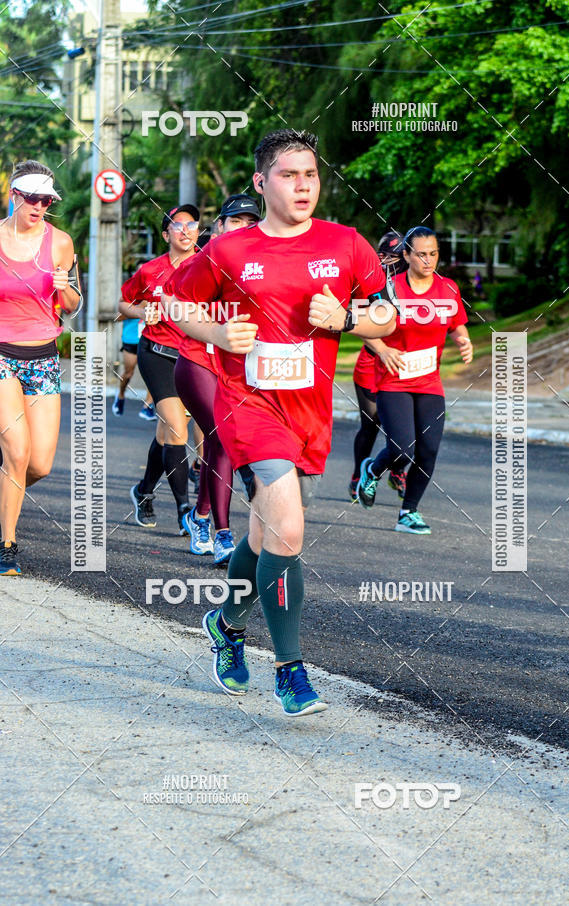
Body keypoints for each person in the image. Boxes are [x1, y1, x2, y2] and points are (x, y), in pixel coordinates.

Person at [165, 129, 395, 716]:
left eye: (310, 175)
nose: (302, 186)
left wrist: (347, 319)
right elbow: (176, 304)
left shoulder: (346, 244)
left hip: (310, 413)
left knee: (268, 535)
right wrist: (216, 333)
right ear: (261, 183)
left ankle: (226, 621)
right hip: (248, 403)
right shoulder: (230, 251)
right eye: (289, 175)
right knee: (288, 529)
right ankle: (291, 672)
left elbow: (387, 317)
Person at [357, 225, 473, 533]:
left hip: (429, 381)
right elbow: (364, 328)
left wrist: (464, 340)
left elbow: (457, 323)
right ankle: (373, 469)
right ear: (406, 255)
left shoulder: (448, 288)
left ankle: (409, 512)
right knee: (402, 448)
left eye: (433, 254)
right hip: (393, 380)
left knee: (429, 450)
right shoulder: (388, 289)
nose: (428, 260)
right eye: (421, 254)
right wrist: (381, 349)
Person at [0, 160, 81, 575]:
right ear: (14, 195)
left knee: (39, 464)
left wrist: (64, 288)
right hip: (1, 354)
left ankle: (4, 498)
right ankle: (7, 546)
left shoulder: (61, 243)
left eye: (46, 200)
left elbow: (73, 306)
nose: (39, 206)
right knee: (16, 451)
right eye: (31, 198)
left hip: (44, 355)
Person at [174, 193, 261, 566]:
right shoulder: (199, 263)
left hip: (237, 367)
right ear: (220, 226)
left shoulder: (259, 266)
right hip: (196, 360)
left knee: (219, 442)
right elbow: (176, 306)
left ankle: (200, 516)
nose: (243, 228)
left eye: (250, 222)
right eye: (236, 221)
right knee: (222, 434)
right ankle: (223, 535)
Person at [118, 205, 200, 534]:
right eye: (177, 226)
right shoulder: (151, 270)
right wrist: (142, 312)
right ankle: (185, 512)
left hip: (194, 357)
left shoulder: (208, 266)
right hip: (157, 354)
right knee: (177, 430)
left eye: (191, 224)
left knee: (165, 433)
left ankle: (143, 491)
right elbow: (122, 303)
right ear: (166, 235)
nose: (185, 230)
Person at [349, 231, 407, 502]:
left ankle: (397, 467)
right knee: (371, 423)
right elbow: (358, 324)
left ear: (406, 257)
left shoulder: (417, 284)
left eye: (392, 256)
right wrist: (381, 348)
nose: (384, 261)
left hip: (406, 367)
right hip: (372, 363)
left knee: (407, 426)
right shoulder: (372, 284)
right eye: (380, 255)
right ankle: (358, 475)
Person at [111, 313, 156, 418]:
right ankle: (121, 395)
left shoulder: (156, 296)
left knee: (152, 374)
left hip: (150, 339)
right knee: (128, 373)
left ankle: (147, 406)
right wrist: (139, 312)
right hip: (131, 339)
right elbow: (117, 317)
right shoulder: (130, 299)